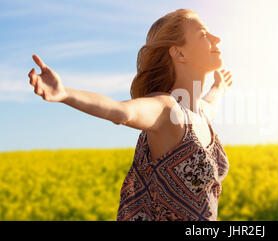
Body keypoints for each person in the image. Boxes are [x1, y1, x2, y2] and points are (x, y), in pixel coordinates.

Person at [27, 8, 233, 221]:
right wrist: (65, 94)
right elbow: (121, 111)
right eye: (203, 35)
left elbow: (212, 102)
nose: (216, 39)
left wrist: (220, 86)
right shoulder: (167, 110)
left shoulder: (200, 114)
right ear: (179, 53)